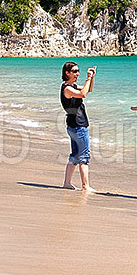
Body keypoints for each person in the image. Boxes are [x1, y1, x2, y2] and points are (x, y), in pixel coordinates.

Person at [60, 61, 96, 192]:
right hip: (78, 126)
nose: (77, 74)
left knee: (75, 156)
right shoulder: (67, 89)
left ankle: (67, 183)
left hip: (73, 126)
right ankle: (85, 186)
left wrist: (91, 78)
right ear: (67, 73)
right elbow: (83, 94)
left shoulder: (71, 86)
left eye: (77, 71)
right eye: (74, 71)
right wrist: (87, 78)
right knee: (84, 157)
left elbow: (88, 89)